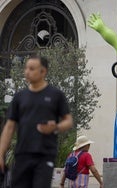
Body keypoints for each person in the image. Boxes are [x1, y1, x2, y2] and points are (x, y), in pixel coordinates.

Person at [0, 55, 73, 188]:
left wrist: (55, 127)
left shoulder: (55, 95)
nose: (27, 72)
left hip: (45, 154)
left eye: (32, 68)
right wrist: (0, 153)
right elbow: (9, 127)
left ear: (43, 71)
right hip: (22, 154)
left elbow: (68, 121)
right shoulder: (19, 97)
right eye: (26, 68)